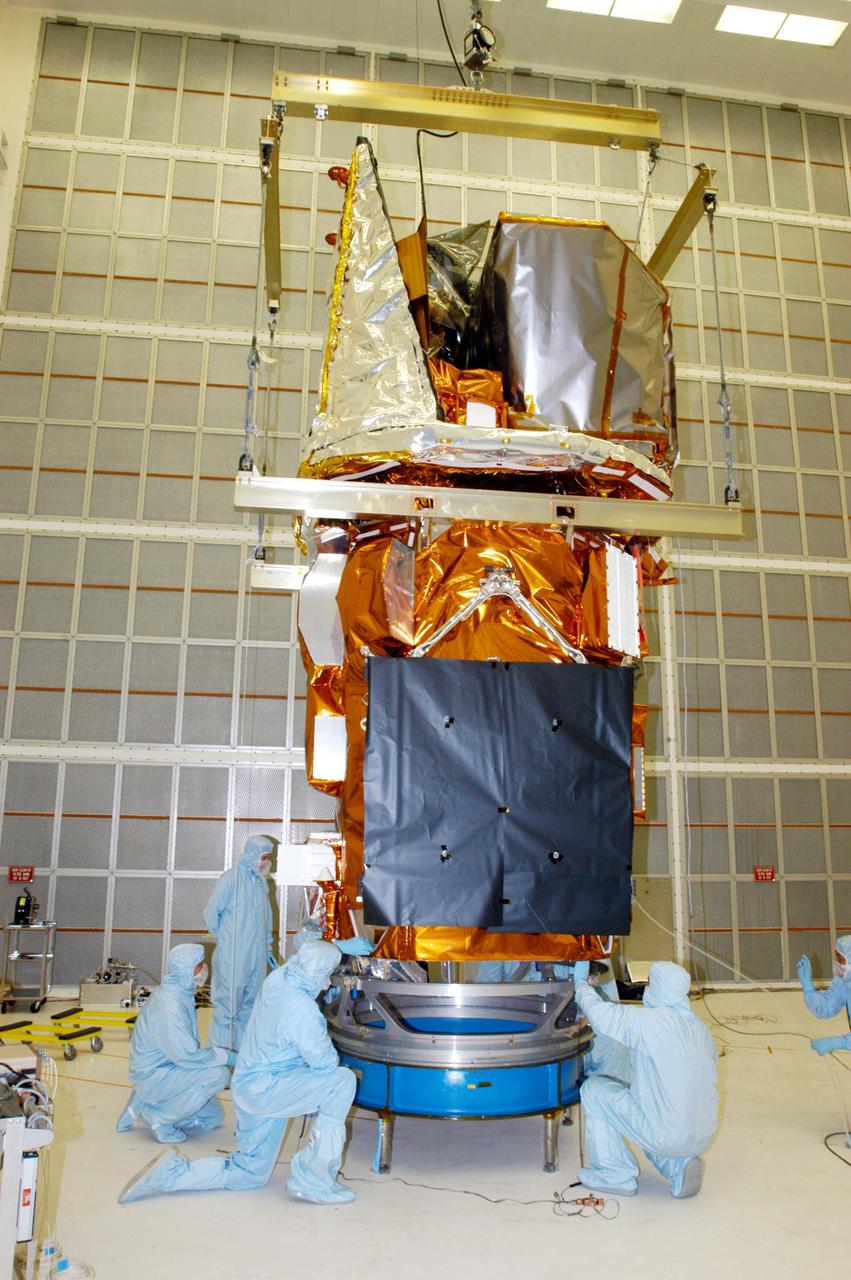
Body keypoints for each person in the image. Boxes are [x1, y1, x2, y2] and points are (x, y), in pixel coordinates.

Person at [119, 939, 357, 1207]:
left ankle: (172, 1174)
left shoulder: (279, 980)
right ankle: (314, 1181)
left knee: (250, 1173)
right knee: (341, 1082)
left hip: (250, 1087)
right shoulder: (302, 1011)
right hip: (268, 1089)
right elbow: (324, 1064)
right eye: (326, 976)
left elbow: (301, 954)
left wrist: (337, 949)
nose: (327, 984)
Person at [572, 959, 718, 1199]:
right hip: (702, 1134)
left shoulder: (650, 1022)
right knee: (647, 1109)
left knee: (594, 1090)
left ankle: (615, 1174)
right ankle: (678, 1167)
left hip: (667, 1135)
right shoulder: (699, 1028)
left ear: (657, 987)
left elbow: (601, 1016)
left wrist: (581, 985)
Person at [116, 944, 230, 1143]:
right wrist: (227, 1056)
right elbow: (189, 1056)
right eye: (199, 965)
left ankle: (144, 1105)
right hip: (156, 1075)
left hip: (168, 1067)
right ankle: (158, 1118)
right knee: (218, 1075)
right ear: (186, 969)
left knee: (213, 1118)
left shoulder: (180, 993)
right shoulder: (170, 1006)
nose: (204, 968)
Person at [204, 834, 275, 1053]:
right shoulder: (231, 879)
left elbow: (267, 916)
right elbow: (210, 913)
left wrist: (267, 945)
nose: (265, 862)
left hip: (258, 954)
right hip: (234, 955)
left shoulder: (261, 883)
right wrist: (228, 939)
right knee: (228, 1006)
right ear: (253, 854)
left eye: (267, 857)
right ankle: (221, 1058)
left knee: (250, 1005)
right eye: (263, 857)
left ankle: (243, 1056)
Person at [797, 935, 851, 1056]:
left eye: (840, 959)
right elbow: (826, 1007)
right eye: (835, 956)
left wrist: (838, 1042)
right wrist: (808, 987)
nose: (836, 962)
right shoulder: (844, 983)